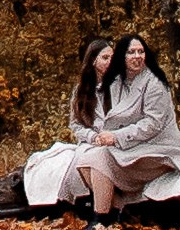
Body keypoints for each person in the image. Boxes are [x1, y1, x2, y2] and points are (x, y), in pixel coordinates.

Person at [69, 31, 180, 220]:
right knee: (85, 159)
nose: (137, 57)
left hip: (158, 150)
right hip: (134, 146)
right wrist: (99, 136)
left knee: (98, 157)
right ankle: (117, 210)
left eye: (141, 51)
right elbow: (106, 118)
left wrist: (116, 137)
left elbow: (153, 123)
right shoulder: (119, 82)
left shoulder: (154, 83)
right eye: (131, 52)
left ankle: (101, 220)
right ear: (123, 57)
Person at [17, 38, 115, 210]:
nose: (110, 62)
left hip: (115, 140)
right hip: (90, 142)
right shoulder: (81, 90)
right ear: (94, 60)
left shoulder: (120, 86)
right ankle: (94, 205)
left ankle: (108, 207)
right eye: (105, 58)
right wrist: (93, 137)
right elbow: (76, 125)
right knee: (84, 160)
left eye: (112, 58)